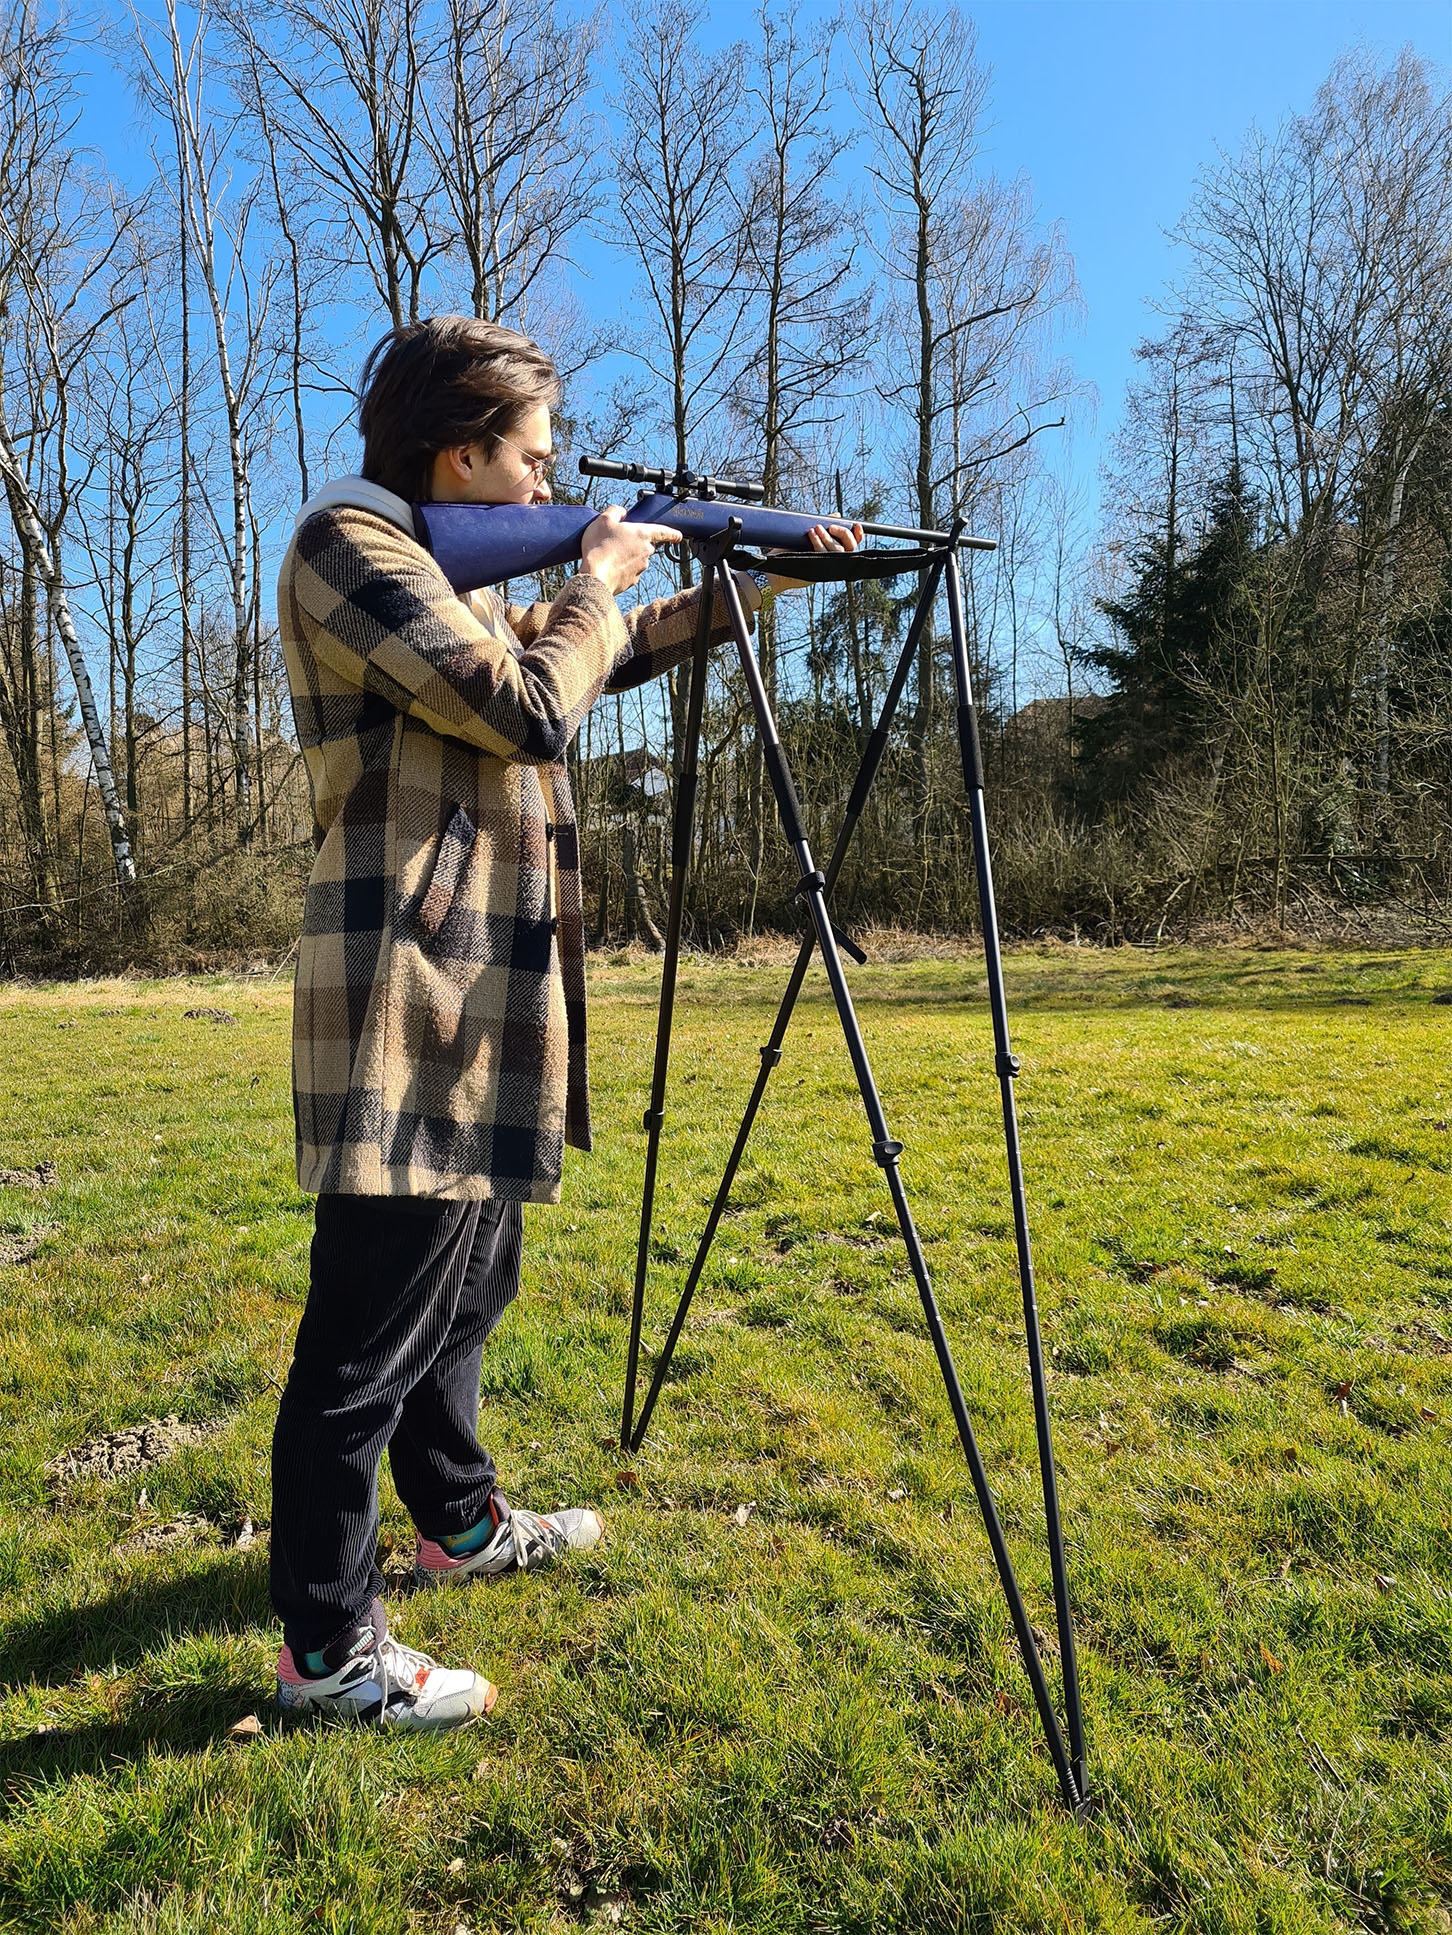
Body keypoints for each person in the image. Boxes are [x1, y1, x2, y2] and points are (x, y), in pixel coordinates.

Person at [270, 315, 860, 1730]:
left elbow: (585, 650)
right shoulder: (350, 551)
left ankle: (455, 1524)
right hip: (405, 994)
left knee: (467, 1295)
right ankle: (326, 1651)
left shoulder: (454, 573)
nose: (549, 486)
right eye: (533, 463)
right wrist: (598, 566)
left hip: (486, 990)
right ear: (458, 456)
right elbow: (534, 704)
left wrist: (739, 583)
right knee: (362, 1349)